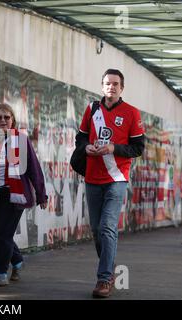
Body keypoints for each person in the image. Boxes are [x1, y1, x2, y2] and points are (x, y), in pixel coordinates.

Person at [76, 69, 145, 298]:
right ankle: (110, 269)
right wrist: (85, 147)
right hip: (92, 177)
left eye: (115, 84)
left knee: (107, 227)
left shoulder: (132, 113)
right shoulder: (91, 109)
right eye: (107, 83)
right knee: (97, 231)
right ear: (102, 86)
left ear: (121, 88)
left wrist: (114, 148)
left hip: (116, 178)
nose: (111, 87)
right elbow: (81, 137)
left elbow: (137, 148)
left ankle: (104, 279)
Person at [0, 103, 48, 287]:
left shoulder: (21, 140)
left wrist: (41, 194)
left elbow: (34, 169)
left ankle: (0, 273)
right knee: (1, 234)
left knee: (3, 235)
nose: (3, 120)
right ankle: (18, 260)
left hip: (13, 194)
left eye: (7, 117)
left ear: (12, 120)